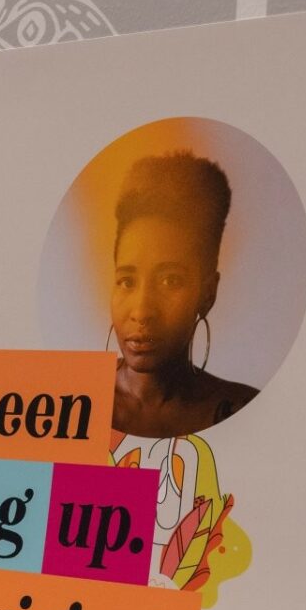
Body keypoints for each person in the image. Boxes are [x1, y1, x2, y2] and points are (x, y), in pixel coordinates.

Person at [105, 152, 258, 437]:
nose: (141, 311)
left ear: (208, 294)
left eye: (170, 280)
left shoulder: (244, 411)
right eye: (126, 281)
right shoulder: (64, 401)